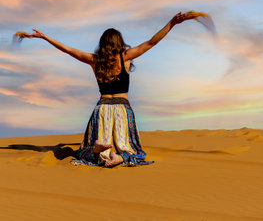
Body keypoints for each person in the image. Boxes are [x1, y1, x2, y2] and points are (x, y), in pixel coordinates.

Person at [24, 12, 197, 167]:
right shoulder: (126, 57)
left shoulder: (94, 60)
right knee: (130, 147)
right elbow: (152, 42)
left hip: (102, 109)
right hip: (122, 109)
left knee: (87, 148)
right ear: (119, 42)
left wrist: (45, 37)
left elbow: (68, 50)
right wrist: (171, 24)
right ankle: (120, 157)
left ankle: (99, 150)